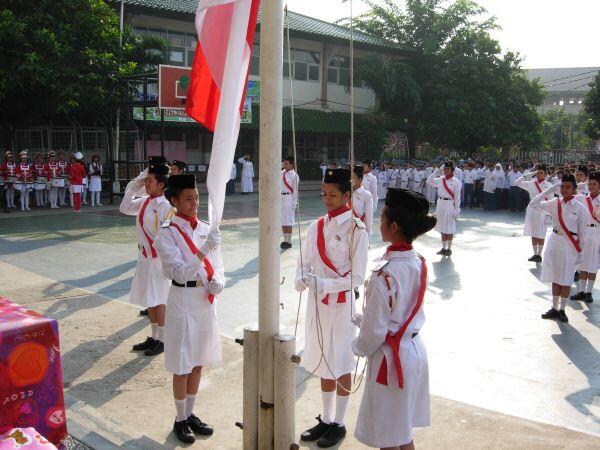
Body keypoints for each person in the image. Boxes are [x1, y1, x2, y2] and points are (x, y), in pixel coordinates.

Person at [352, 187, 434, 450]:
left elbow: (374, 333)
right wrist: (364, 320)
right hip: (414, 351)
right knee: (402, 432)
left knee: (387, 437)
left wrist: (357, 346)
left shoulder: (383, 274)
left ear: (394, 226)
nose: (379, 222)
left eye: (382, 218)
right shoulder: (418, 261)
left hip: (391, 359)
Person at [295, 168, 369, 448]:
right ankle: (326, 418)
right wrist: (300, 277)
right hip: (318, 305)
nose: (326, 199)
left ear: (347, 195)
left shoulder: (356, 230)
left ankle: (339, 422)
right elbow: (304, 260)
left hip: (342, 307)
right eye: (324, 193)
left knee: (342, 362)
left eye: (333, 194)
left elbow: (357, 277)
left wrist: (323, 283)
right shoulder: (316, 226)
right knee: (324, 359)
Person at [154, 174, 223, 444]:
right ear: (174, 201)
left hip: (204, 300)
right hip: (182, 301)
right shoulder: (167, 233)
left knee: (198, 361)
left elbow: (219, 267)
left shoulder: (206, 228)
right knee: (182, 365)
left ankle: (191, 412)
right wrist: (204, 250)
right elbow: (180, 274)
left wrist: (219, 282)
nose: (195, 203)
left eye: (196, 197)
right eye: (188, 198)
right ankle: (180, 418)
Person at [119, 156, 172, 356]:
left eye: (150, 181)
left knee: (159, 299)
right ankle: (154, 336)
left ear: (161, 184)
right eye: (146, 180)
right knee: (150, 299)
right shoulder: (145, 201)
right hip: (144, 257)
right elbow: (124, 207)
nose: (146, 183)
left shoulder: (165, 206)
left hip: (157, 260)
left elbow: (167, 236)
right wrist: (135, 185)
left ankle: (163, 339)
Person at [530, 174, 587, 323]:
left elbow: (583, 233)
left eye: (568, 187)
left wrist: (580, 252)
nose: (564, 189)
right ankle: (554, 308)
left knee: (566, 278)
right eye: (562, 186)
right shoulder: (554, 203)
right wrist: (549, 190)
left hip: (570, 245)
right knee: (556, 276)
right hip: (555, 241)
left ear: (574, 189)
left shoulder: (580, 208)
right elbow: (533, 204)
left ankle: (562, 309)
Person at [570, 171, 599, 304]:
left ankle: (588, 292)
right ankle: (582, 291)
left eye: (595, 184)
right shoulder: (582, 198)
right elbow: (571, 195)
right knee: (582, 265)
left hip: (597, 234)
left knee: (592, 265)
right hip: (584, 233)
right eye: (590, 183)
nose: (592, 186)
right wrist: (582, 184)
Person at [515, 165, 552, 262]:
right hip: (532, 210)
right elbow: (517, 182)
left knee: (541, 233)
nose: (539, 174)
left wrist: (549, 215)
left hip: (542, 211)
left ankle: (539, 254)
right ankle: (535, 254)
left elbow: (551, 201)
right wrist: (530, 174)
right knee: (533, 232)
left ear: (545, 174)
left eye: (541, 173)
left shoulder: (549, 186)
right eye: (538, 172)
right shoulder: (531, 183)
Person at [426, 162, 462, 256]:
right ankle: (443, 248)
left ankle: (449, 249)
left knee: (449, 226)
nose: (446, 171)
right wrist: (436, 172)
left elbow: (457, 197)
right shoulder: (440, 179)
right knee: (442, 226)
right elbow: (429, 181)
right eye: (445, 169)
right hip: (440, 204)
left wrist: (457, 210)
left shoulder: (456, 182)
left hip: (450, 204)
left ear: (452, 170)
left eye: (448, 169)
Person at [281, 156, 299, 249]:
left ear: (292, 164)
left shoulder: (295, 175)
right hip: (281, 198)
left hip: (289, 198)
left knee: (288, 221)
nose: (285, 165)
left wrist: (294, 203)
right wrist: (281, 166)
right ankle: (285, 239)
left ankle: (289, 241)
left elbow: (295, 190)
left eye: (287, 163)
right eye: (284, 163)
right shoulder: (281, 173)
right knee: (283, 220)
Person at [351, 165, 374, 238]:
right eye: (350, 178)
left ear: (360, 179)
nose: (351, 180)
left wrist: (368, 236)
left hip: (360, 231)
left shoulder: (366, 195)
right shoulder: (347, 193)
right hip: (348, 230)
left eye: (354, 178)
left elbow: (369, 219)